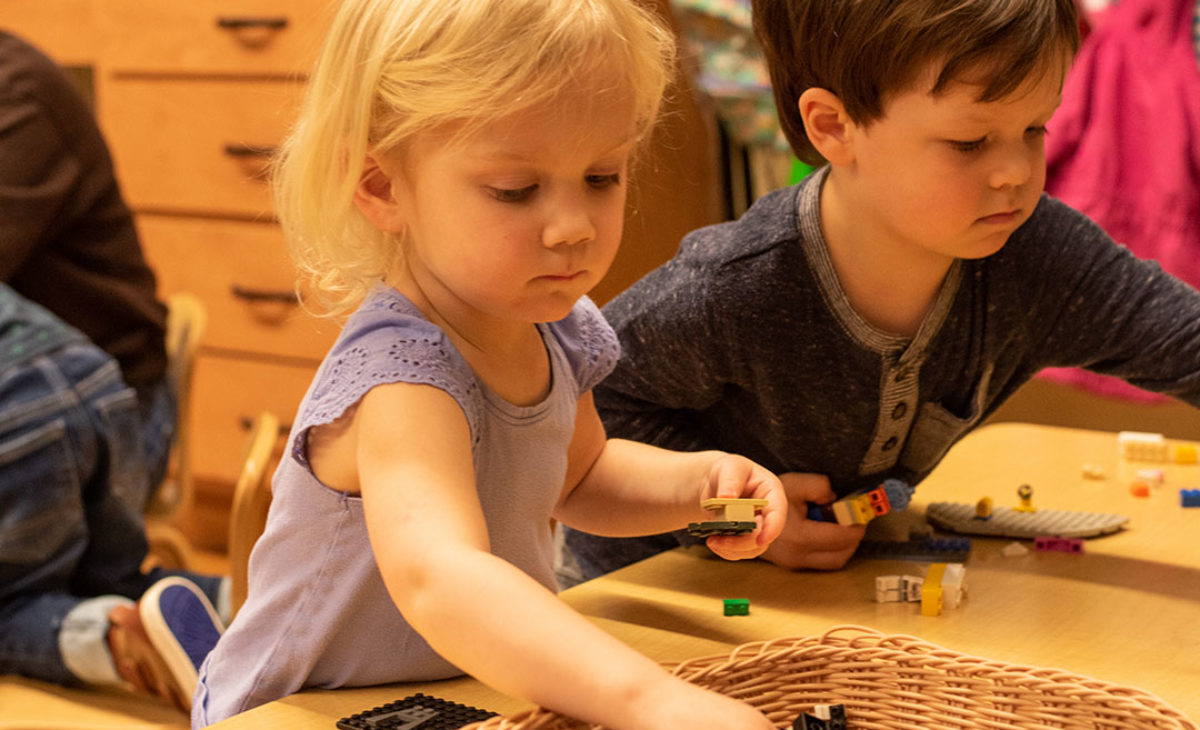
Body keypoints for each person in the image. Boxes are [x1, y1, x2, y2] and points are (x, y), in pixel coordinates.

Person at [192, 1, 786, 728]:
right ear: (382, 188)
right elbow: (443, 579)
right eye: (516, 191)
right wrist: (652, 701)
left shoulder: (557, 329)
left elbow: (581, 476)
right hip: (304, 712)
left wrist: (700, 483)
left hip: (457, 697)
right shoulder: (403, 375)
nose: (573, 227)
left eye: (602, 177)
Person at [563, 0, 1200, 579]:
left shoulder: (1038, 256)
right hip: (648, 598)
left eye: (1035, 129)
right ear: (834, 127)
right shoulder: (736, 288)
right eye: (969, 142)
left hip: (831, 606)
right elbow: (588, 414)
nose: (1015, 172)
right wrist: (736, 518)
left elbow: (1186, 341)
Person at [0, 30, 225, 710]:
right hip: (81, 399)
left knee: (20, 598)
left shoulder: (16, 95)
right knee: (112, 572)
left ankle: (95, 632)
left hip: (106, 412)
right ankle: (246, 597)